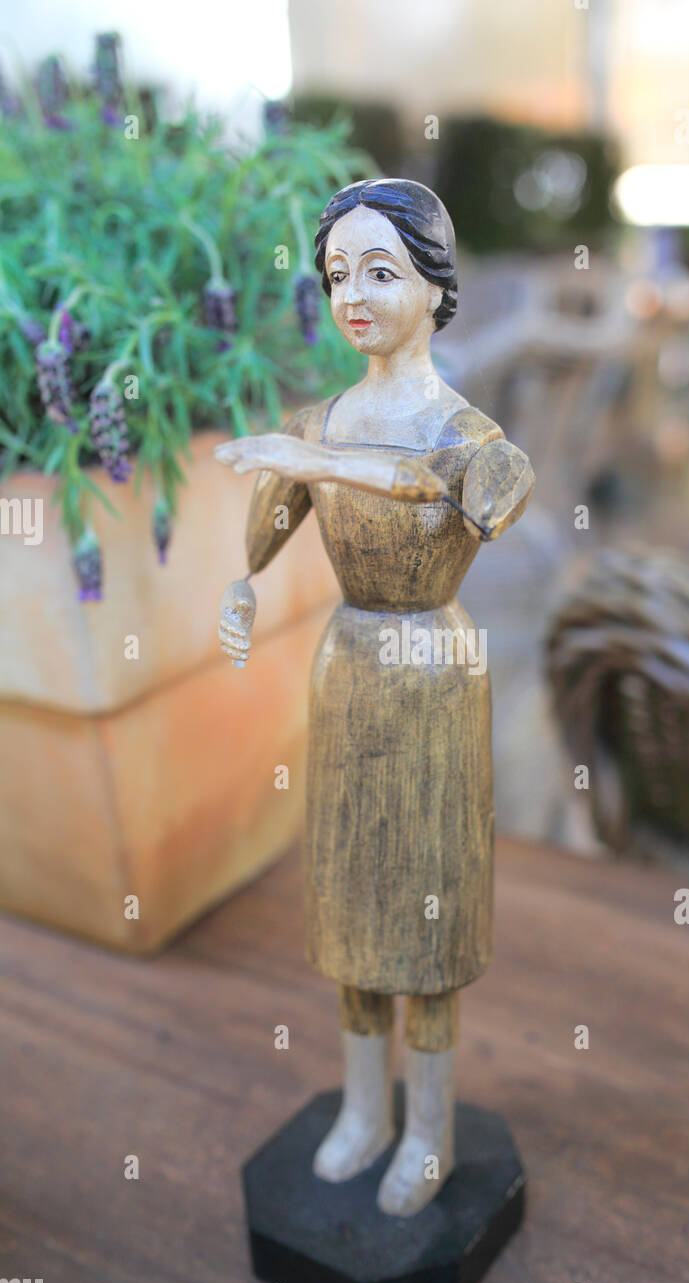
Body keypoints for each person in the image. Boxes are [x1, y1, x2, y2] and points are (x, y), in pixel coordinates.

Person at [217, 179, 533, 1216]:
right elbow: (270, 521)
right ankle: (362, 1109)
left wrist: (311, 457)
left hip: (434, 674)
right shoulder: (321, 420)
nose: (353, 294)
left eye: (381, 272)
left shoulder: (471, 435)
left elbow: (454, 491)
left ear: (438, 290)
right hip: (347, 665)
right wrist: (240, 583)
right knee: (354, 904)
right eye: (337, 275)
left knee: (428, 922)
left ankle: (430, 1127)